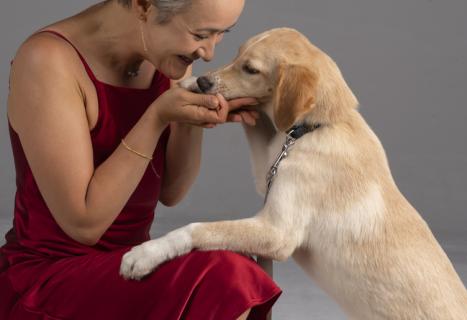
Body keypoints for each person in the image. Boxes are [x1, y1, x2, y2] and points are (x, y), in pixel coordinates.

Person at [0, 0, 282, 319]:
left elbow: (171, 192)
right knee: (224, 274)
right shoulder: (47, 61)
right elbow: (84, 224)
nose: (209, 53)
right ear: (144, 5)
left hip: (129, 267)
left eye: (221, 34)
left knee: (236, 255)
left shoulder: (165, 57)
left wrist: (194, 119)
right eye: (201, 34)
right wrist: (155, 118)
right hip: (48, 282)